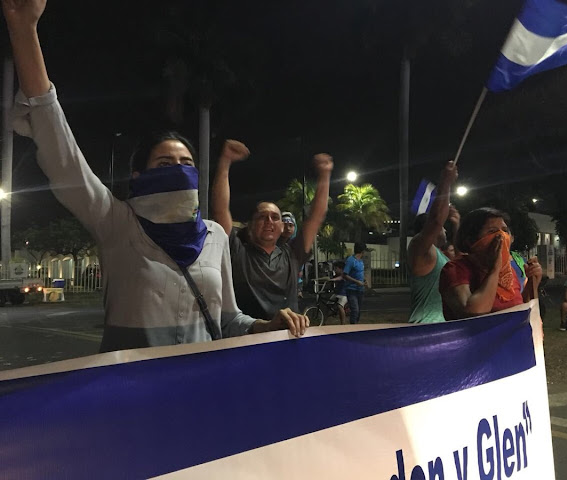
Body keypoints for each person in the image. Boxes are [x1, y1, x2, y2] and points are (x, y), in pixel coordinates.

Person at [2, 0, 308, 352]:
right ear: (138, 176)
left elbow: (227, 319)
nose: (178, 170)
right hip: (131, 383)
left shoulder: (215, 237)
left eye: (186, 163)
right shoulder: (116, 223)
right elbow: (63, 159)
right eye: (165, 164)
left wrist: (265, 325)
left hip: (201, 380)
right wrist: (24, 30)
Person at [211, 145, 333, 319]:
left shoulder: (293, 255)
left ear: (282, 227)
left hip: (289, 333)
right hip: (250, 332)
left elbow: (316, 216)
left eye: (275, 217)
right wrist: (225, 161)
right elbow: (220, 210)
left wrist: (325, 175)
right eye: (262, 217)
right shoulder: (237, 252)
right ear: (250, 225)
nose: (269, 221)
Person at [439, 208, 542, 320]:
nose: (502, 236)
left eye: (505, 230)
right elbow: (473, 313)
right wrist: (495, 270)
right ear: (470, 241)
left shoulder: (507, 272)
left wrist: (533, 282)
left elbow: (521, 309)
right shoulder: (456, 269)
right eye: (492, 231)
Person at [407, 161, 458, 324]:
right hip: (426, 327)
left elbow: (461, 262)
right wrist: (446, 182)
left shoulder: (439, 255)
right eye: (443, 227)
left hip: (441, 327)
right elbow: (436, 220)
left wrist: (457, 225)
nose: (445, 230)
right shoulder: (419, 248)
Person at [343, 242, 368, 324]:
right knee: (355, 310)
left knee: (358, 311)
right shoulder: (351, 260)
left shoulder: (360, 261)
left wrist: (364, 280)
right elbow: (345, 275)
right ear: (362, 251)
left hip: (360, 289)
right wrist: (356, 282)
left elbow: (360, 273)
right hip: (351, 289)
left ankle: (356, 325)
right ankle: (353, 327)